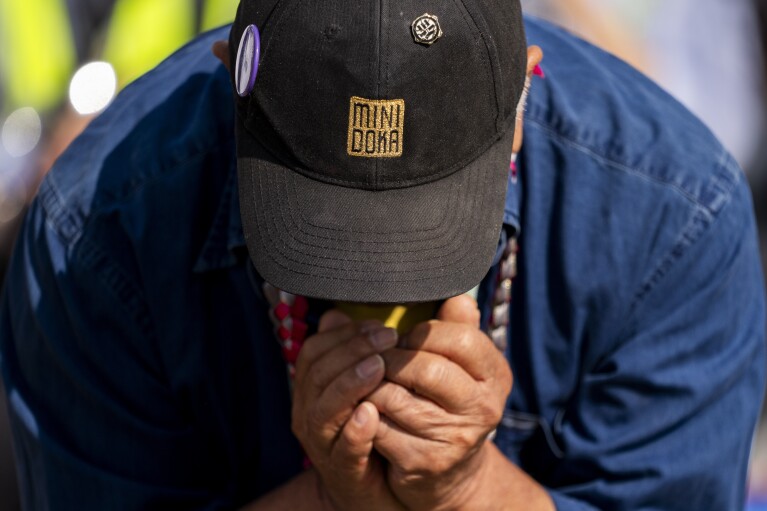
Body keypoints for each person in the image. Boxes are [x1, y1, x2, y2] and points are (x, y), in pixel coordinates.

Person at [1, 0, 764, 509]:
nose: (373, 283)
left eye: (424, 220)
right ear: (230, 81)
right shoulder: (96, 236)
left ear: (523, 98)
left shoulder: (674, 219)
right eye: (323, 218)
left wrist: (468, 490)